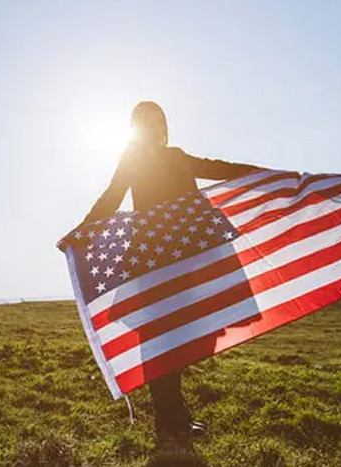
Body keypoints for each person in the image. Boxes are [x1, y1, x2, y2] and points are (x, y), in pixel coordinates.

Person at [67, 101, 263, 442]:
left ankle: (174, 420)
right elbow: (111, 198)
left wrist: (263, 174)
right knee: (159, 340)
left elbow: (218, 168)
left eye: (156, 122)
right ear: (136, 128)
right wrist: (80, 232)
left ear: (163, 127)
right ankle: (171, 422)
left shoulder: (176, 156)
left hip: (186, 261)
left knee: (179, 339)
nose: (151, 128)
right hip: (150, 261)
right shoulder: (131, 159)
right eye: (144, 123)